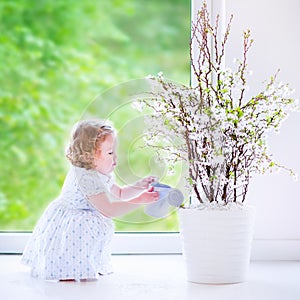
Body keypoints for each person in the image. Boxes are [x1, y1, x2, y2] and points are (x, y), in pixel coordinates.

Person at [21, 119, 159, 281]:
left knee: (87, 244)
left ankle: (87, 267)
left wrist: (139, 187)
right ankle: (67, 274)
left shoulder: (100, 172)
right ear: (90, 155)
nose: (115, 158)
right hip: (73, 222)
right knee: (72, 249)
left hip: (85, 218)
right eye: (109, 153)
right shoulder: (87, 177)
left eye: (114, 152)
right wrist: (140, 201)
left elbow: (120, 193)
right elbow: (109, 210)